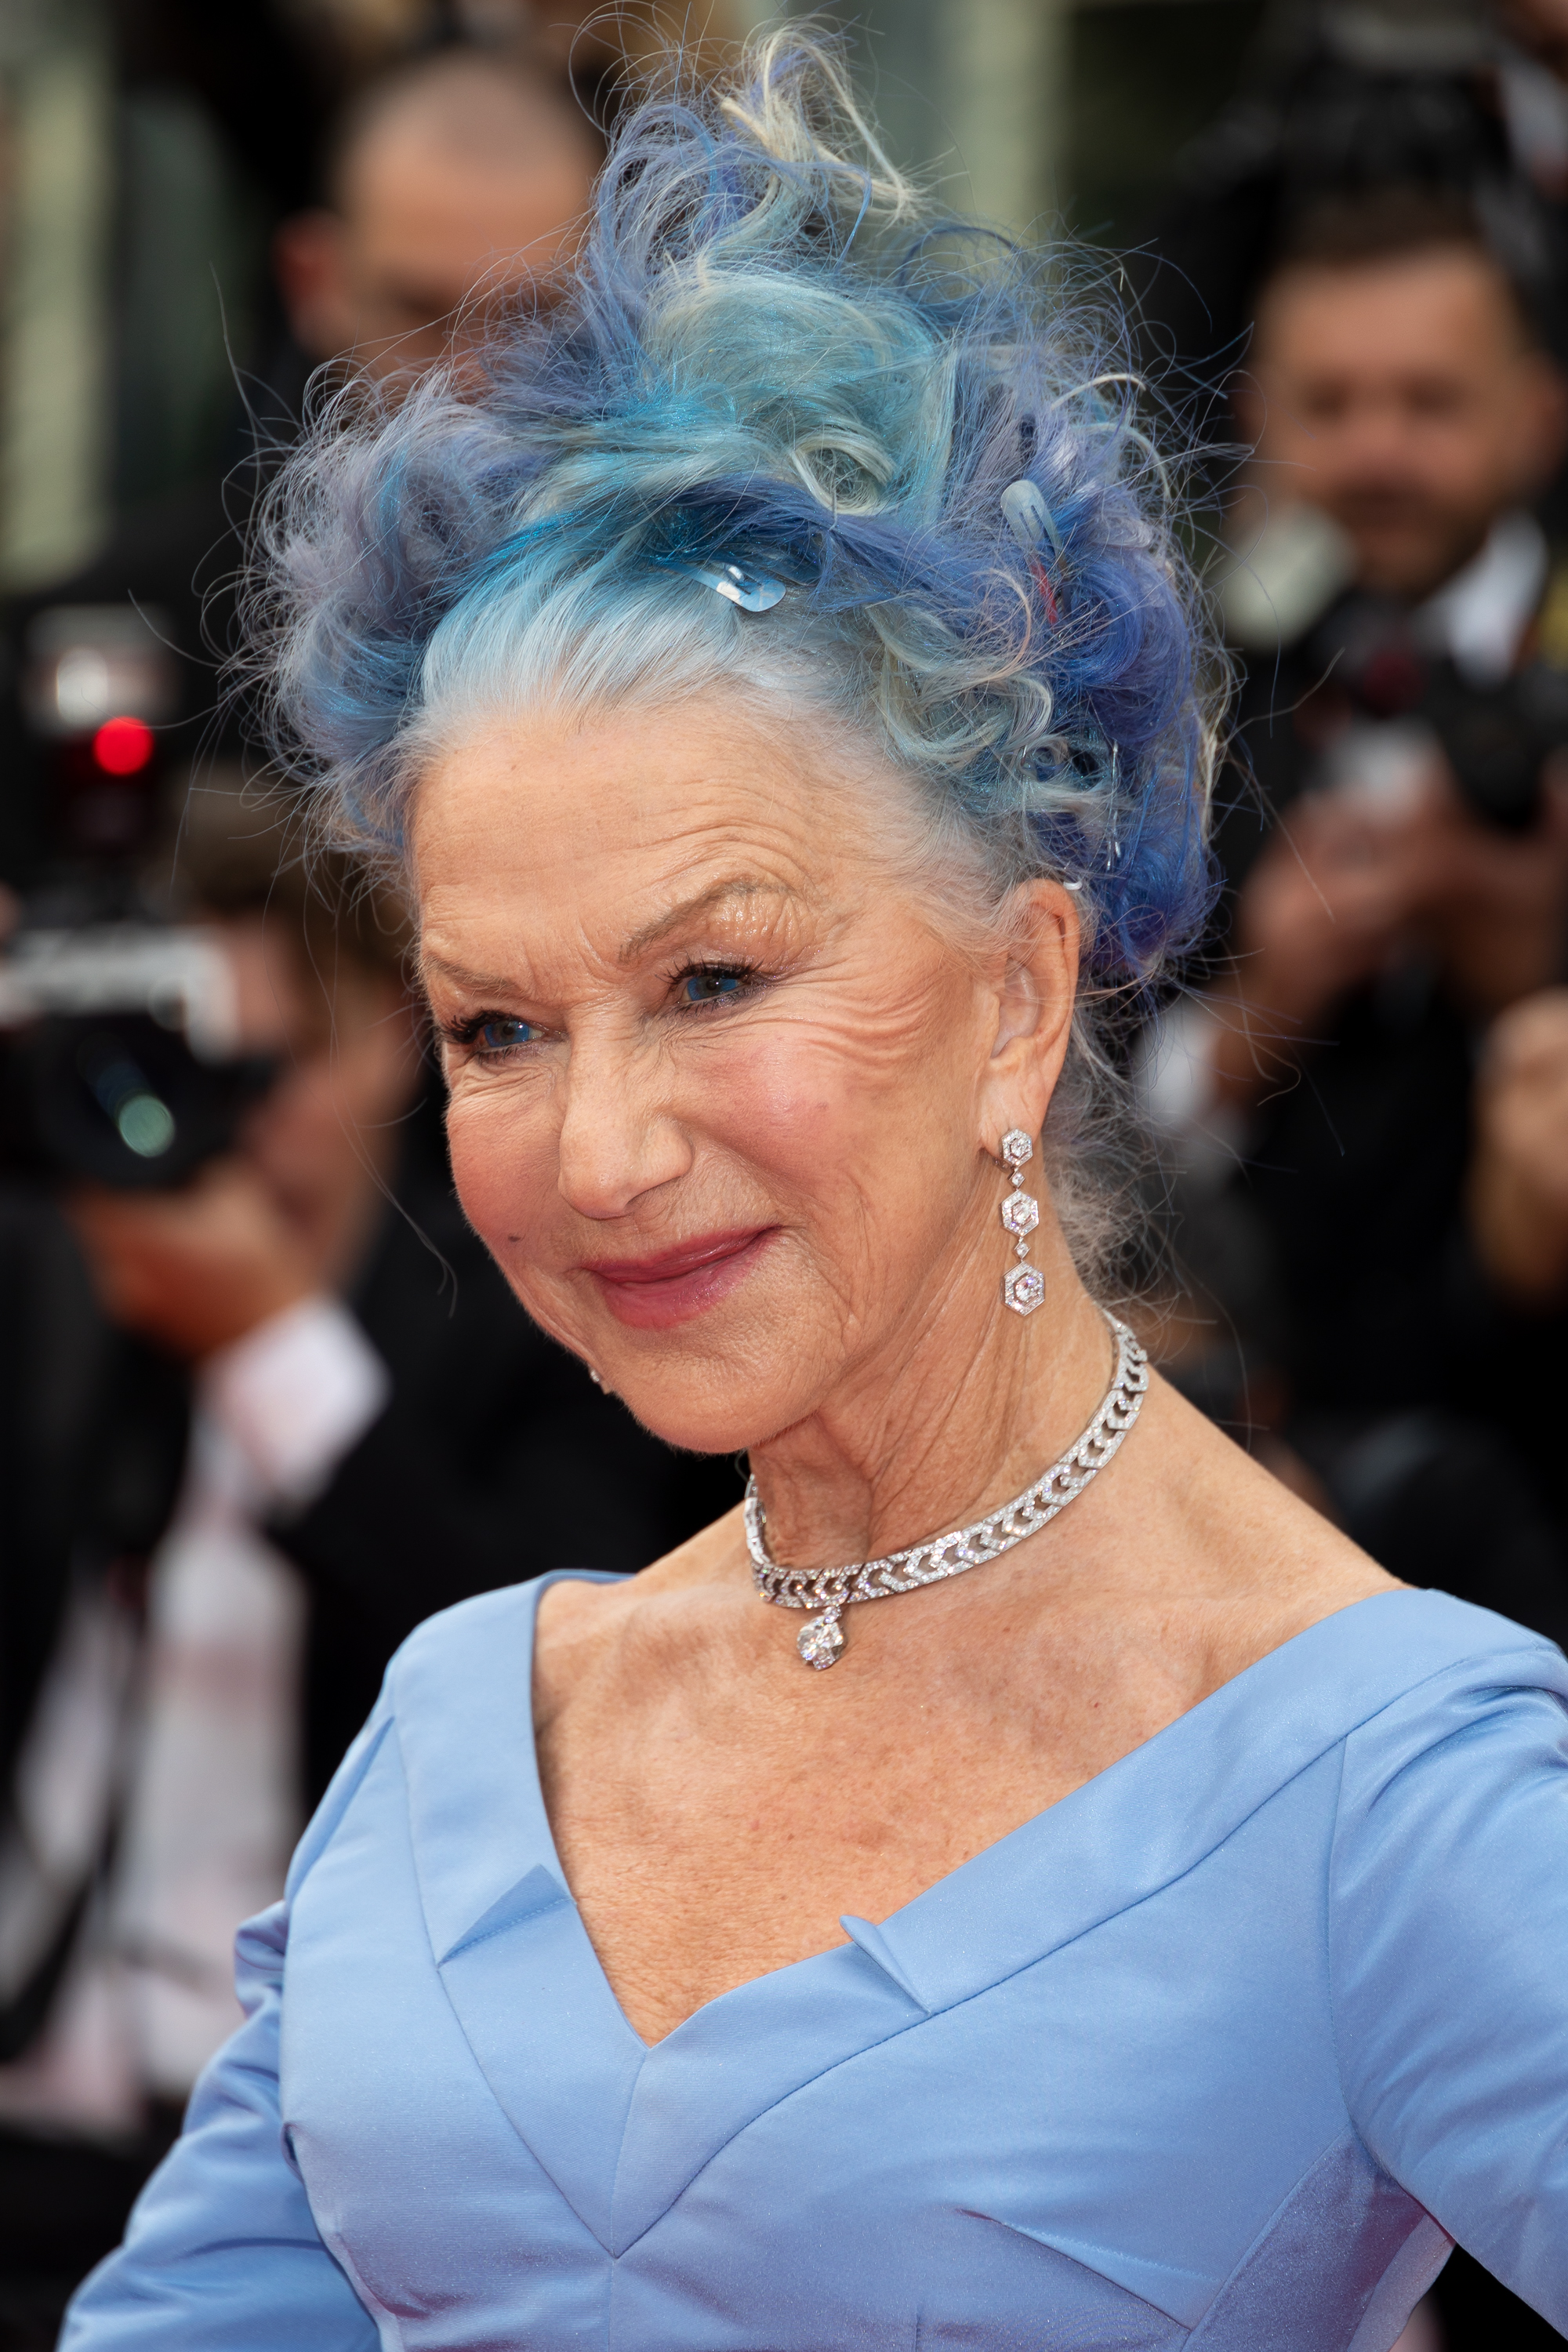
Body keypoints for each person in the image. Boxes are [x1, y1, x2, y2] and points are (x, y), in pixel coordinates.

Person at [53, 33, 1568, 2349]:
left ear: (1017, 994)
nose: (601, 1153)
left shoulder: (1388, 1779)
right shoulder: (469, 1728)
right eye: (499, 1028)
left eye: (718, 976)